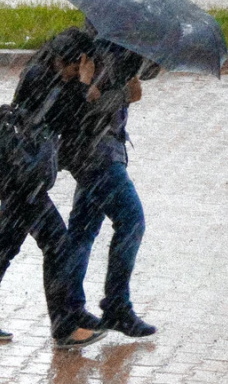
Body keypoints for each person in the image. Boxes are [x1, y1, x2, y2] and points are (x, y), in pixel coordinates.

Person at [0, 27, 107, 349]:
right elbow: (67, 119)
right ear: (69, 60)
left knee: (4, 245)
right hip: (22, 180)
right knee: (57, 244)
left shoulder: (43, 73)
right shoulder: (43, 79)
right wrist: (84, 88)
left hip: (15, 174)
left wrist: (82, 89)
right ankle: (65, 327)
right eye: (79, 66)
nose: (79, 72)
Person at [57, 27, 161, 338]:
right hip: (97, 154)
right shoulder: (103, 47)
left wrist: (155, 53)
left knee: (82, 230)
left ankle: (70, 308)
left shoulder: (121, 41)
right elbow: (86, 107)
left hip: (91, 152)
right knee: (131, 220)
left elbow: (144, 72)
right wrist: (125, 95)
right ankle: (115, 306)